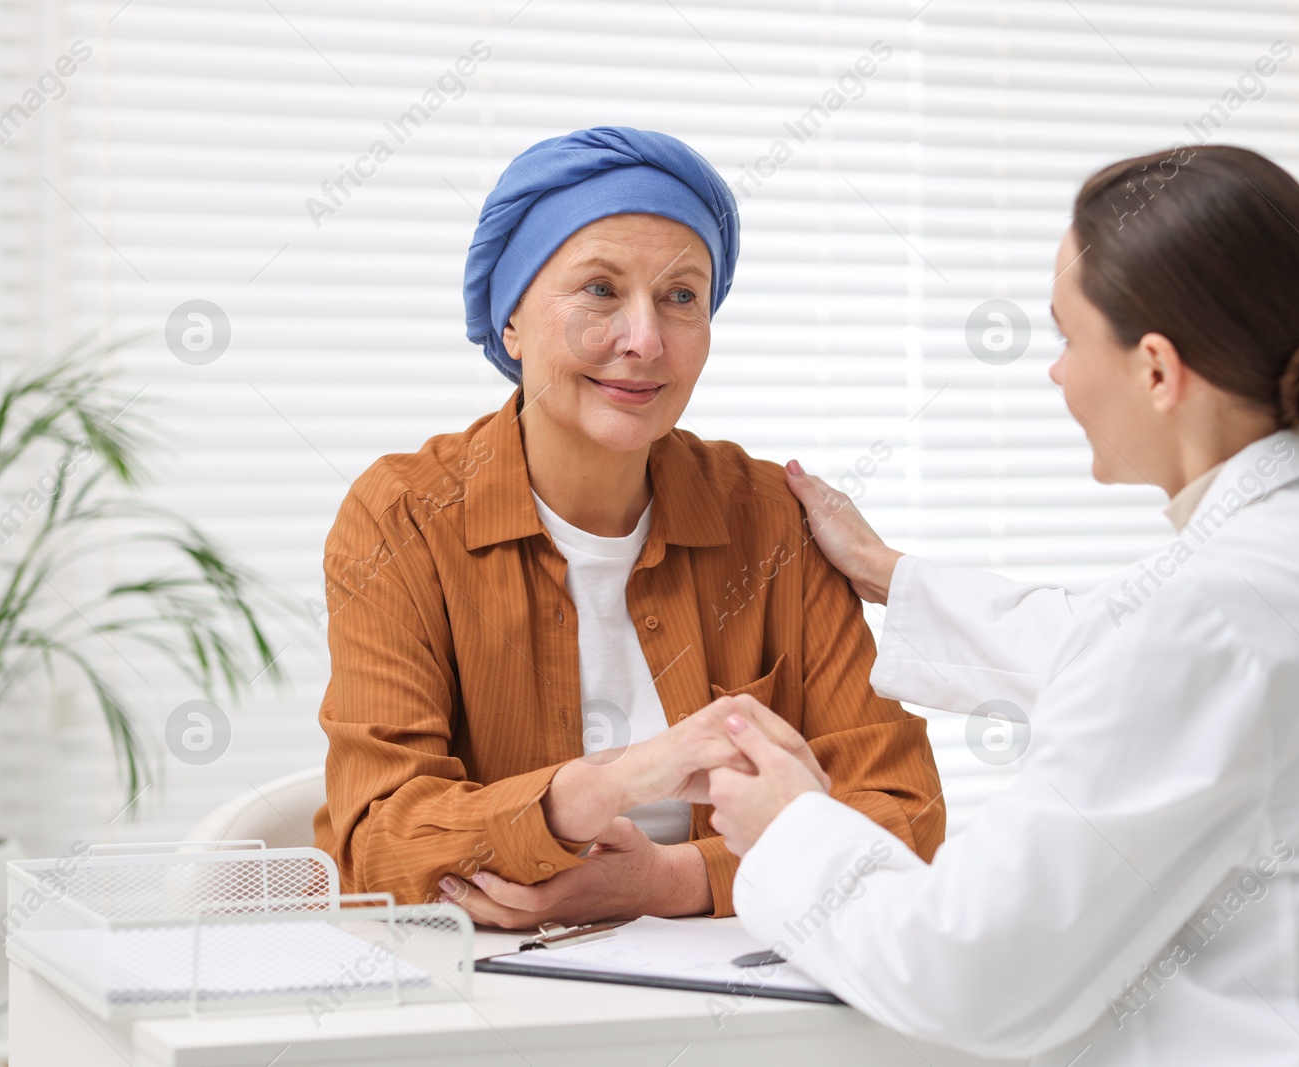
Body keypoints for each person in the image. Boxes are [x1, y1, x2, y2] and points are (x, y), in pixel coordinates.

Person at [706, 145, 1299, 1065]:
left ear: (1157, 370)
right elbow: (1120, 651)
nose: (1056, 375)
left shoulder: (1215, 611)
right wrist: (889, 572)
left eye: (1066, 337)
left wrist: (792, 829)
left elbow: (971, 971)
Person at [311, 126, 944, 926]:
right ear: (510, 321)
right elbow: (380, 846)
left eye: (681, 297)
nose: (644, 340)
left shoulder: (770, 520)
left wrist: (673, 879)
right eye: (600, 290)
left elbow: (905, 814)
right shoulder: (402, 517)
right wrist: (606, 785)